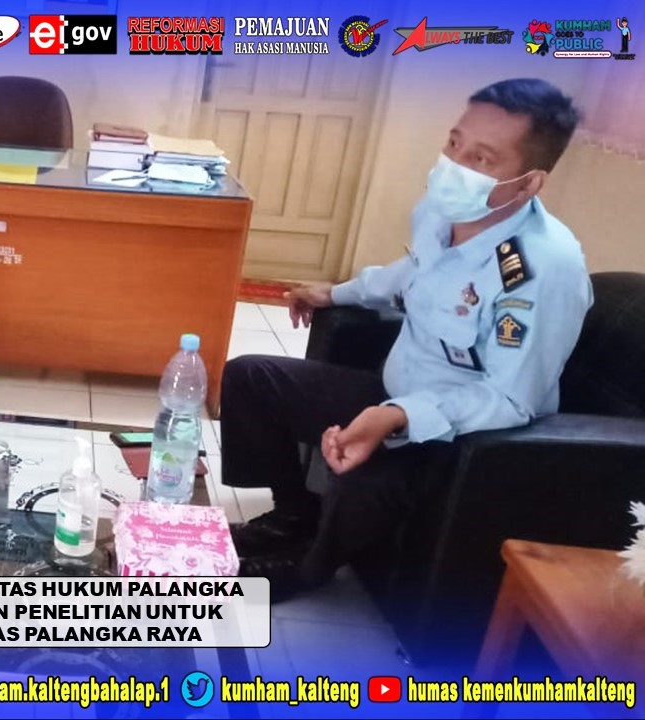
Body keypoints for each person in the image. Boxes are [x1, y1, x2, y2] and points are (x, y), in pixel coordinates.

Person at [220, 78, 592, 601]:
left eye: (482, 158)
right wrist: (337, 292)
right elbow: (413, 273)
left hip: (459, 439)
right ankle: (292, 516)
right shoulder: (445, 210)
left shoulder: (542, 268)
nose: (454, 165)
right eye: (454, 142)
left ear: (529, 183)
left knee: (361, 476)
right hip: (392, 395)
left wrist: (399, 416)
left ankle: (306, 567)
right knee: (251, 377)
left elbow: (511, 399)